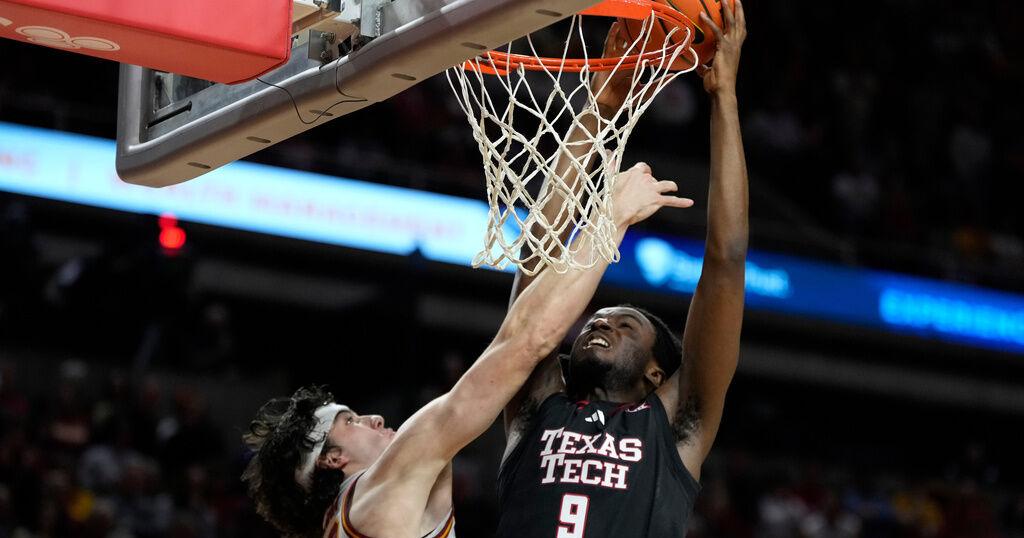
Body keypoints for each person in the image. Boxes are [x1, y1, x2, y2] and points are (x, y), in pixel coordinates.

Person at [240, 161, 694, 535]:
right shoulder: (383, 486)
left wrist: (594, 115)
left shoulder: (344, 522)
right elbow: (526, 341)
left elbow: (528, 306)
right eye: (351, 421)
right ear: (333, 459)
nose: (373, 418)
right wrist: (610, 220)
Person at [495, 1, 748, 536]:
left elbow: (725, 263)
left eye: (623, 324)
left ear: (657, 373)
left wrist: (724, 98)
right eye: (599, 319)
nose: (599, 322)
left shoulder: (677, 426)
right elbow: (537, 253)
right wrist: (600, 106)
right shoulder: (533, 405)